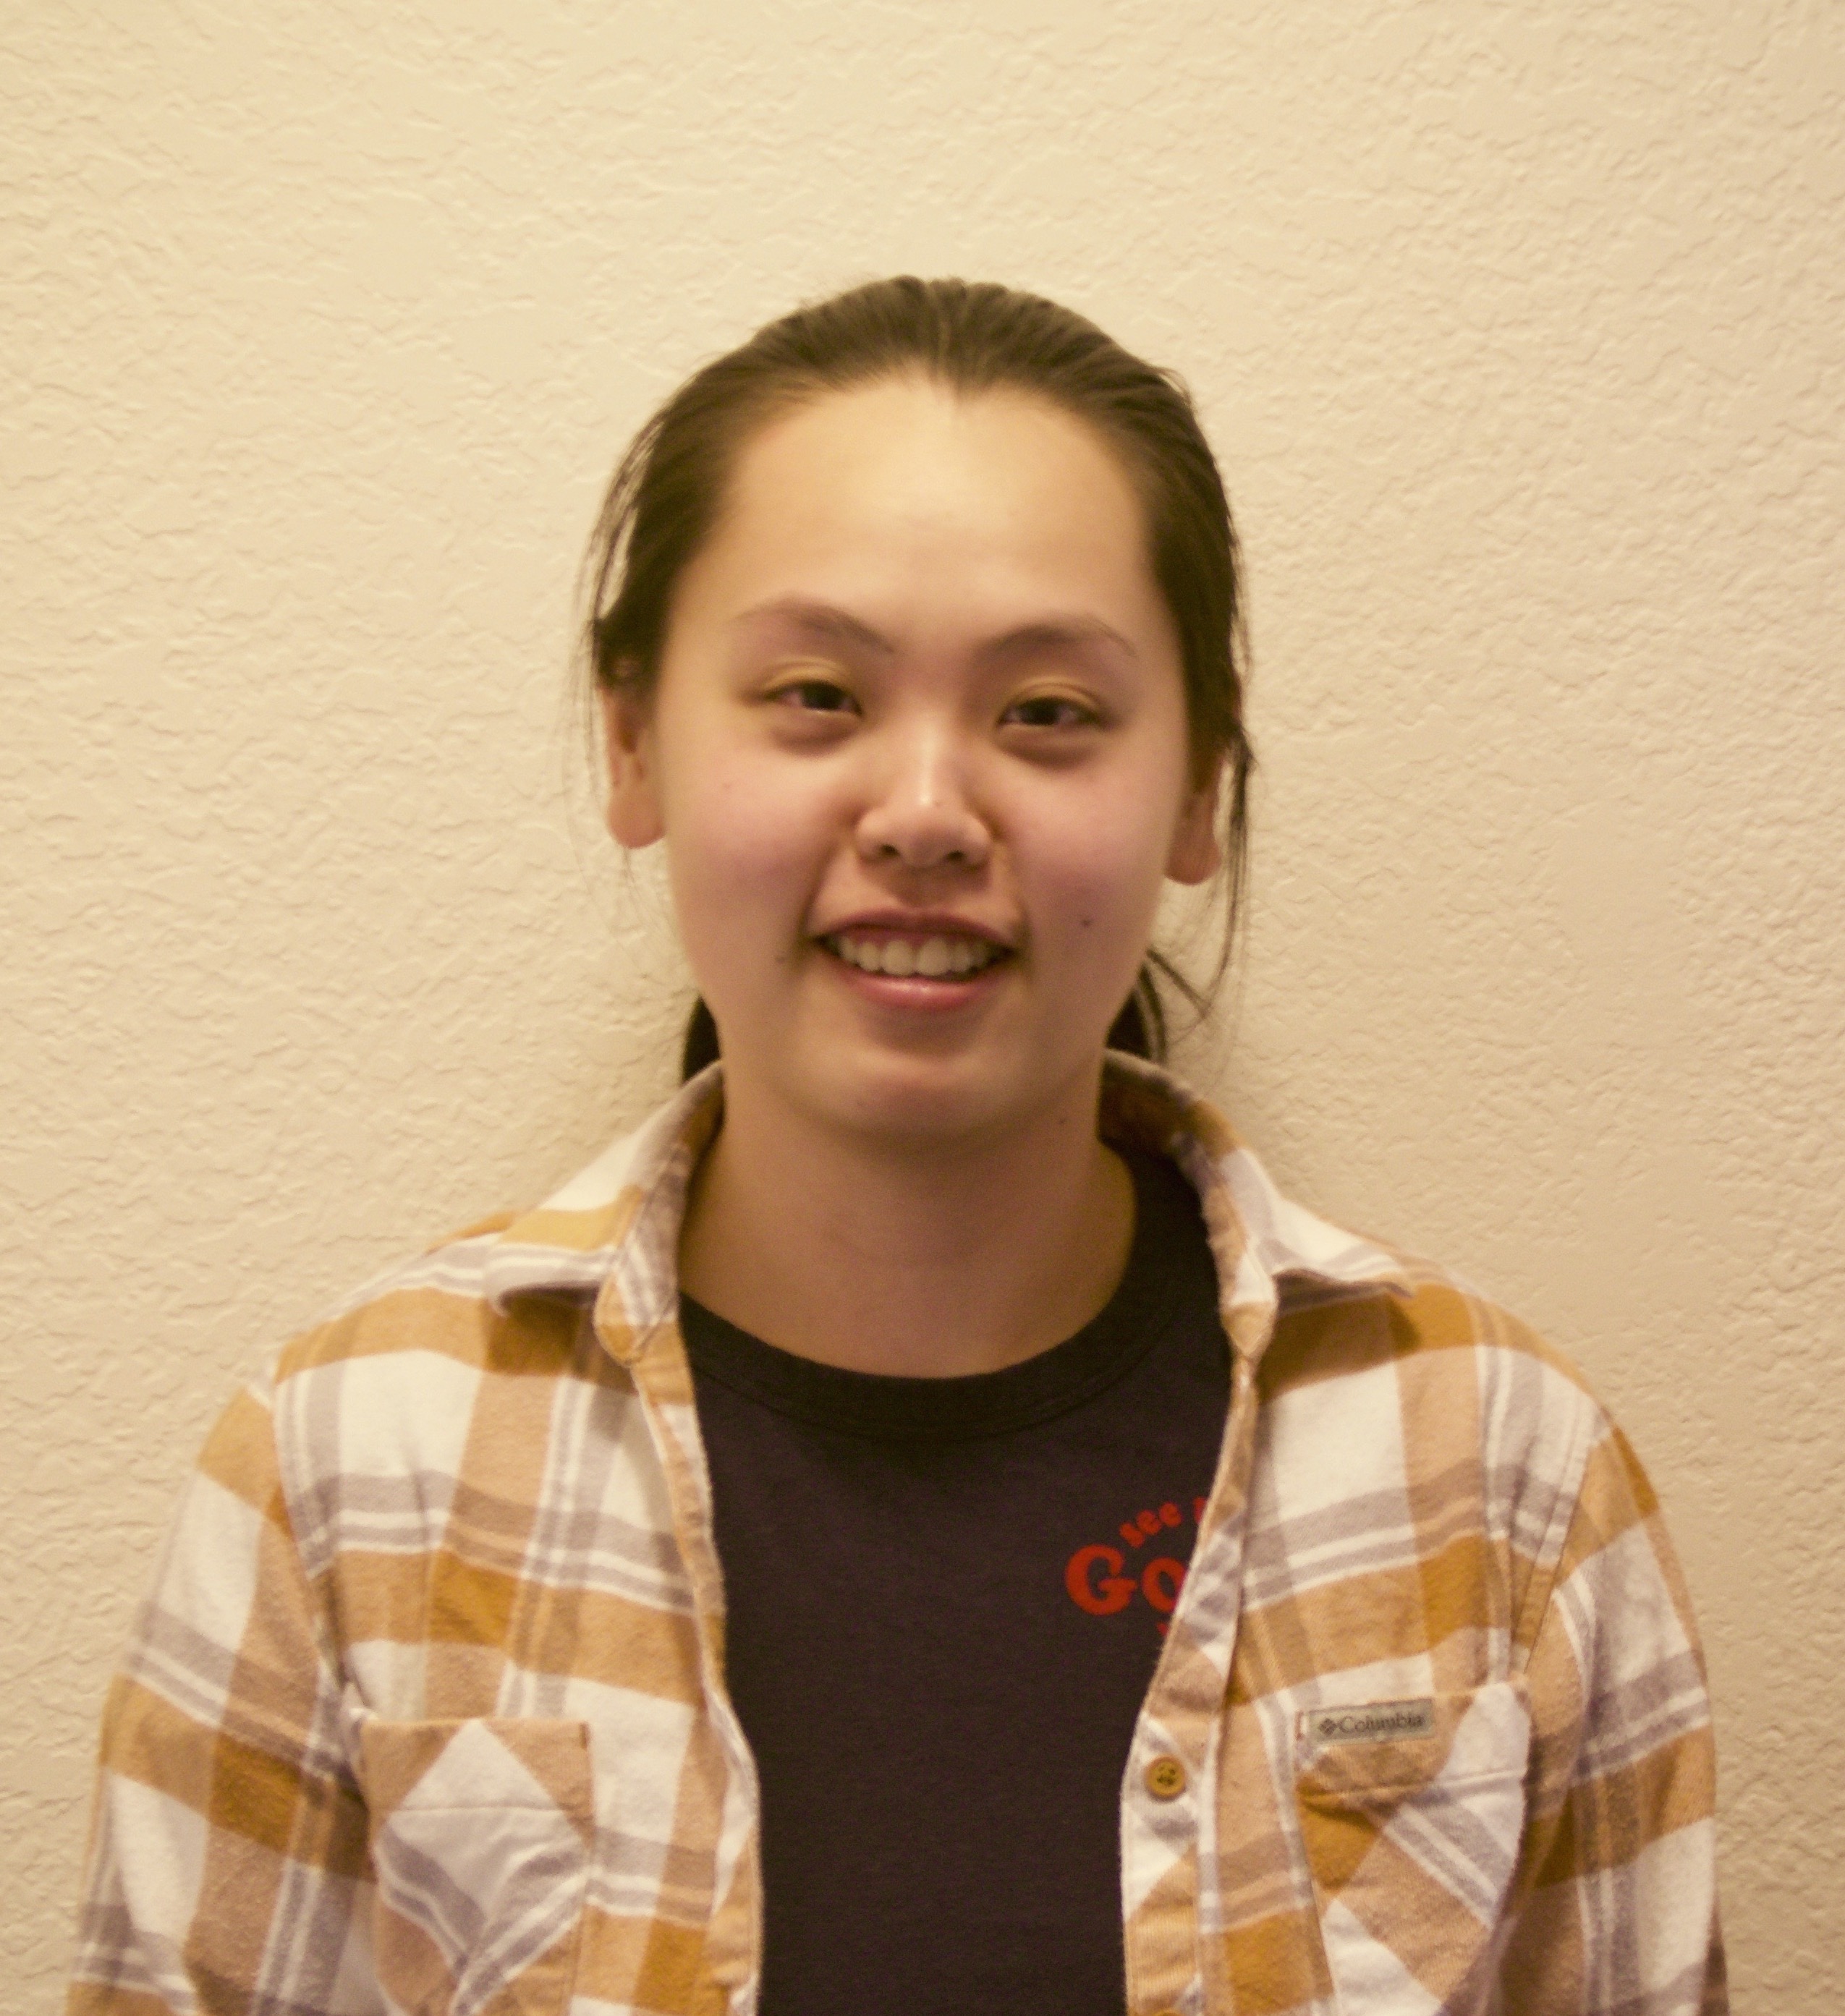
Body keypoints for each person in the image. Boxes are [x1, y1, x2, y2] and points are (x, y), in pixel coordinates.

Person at [68, 278, 1725, 2016]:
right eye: (813, 693)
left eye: (1048, 713)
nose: (927, 810)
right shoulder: (345, 1470)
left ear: (1198, 791)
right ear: (634, 740)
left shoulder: (1503, 1479)